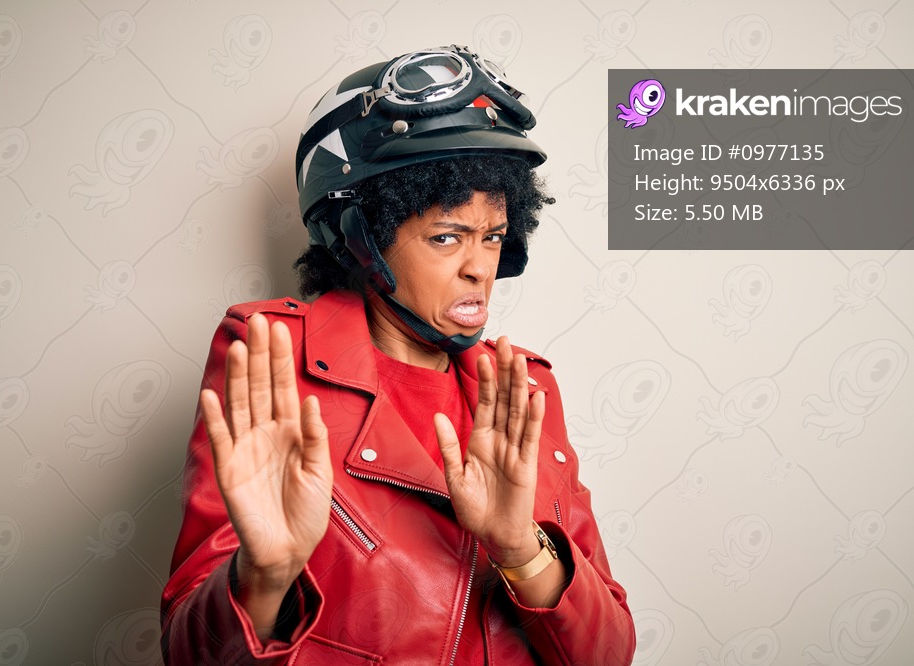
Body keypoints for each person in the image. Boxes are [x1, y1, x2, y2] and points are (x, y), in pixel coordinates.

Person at [160, 45, 636, 665]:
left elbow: (609, 655)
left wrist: (521, 549)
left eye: (492, 237)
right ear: (361, 238)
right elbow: (191, 656)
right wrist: (264, 577)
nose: (479, 268)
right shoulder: (271, 357)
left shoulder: (525, 387)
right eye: (446, 236)